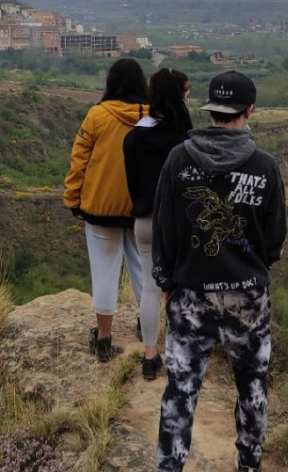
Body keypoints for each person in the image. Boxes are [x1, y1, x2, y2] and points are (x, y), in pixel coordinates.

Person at [151, 70, 287, 472]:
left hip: (191, 296)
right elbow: (275, 238)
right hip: (249, 297)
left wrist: (165, 281)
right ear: (250, 111)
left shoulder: (179, 158)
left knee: (180, 391)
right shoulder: (265, 167)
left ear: (210, 111)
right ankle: (248, 465)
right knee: (252, 389)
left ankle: (170, 467)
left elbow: (164, 228)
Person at [63, 58, 147, 363]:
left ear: (111, 83)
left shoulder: (97, 116)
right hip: (144, 208)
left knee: (104, 272)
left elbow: (79, 161)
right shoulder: (156, 117)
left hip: (100, 207)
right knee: (145, 270)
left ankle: (103, 339)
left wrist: (73, 199)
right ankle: (146, 328)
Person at [123, 68, 193, 381]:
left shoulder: (134, 136)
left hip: (144, 221)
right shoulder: (185, 139)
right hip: (176, 225)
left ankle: (150, 357)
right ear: (180, 96)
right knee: (182, 289)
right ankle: (182, 356)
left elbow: (133, 182)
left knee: (150, 289)